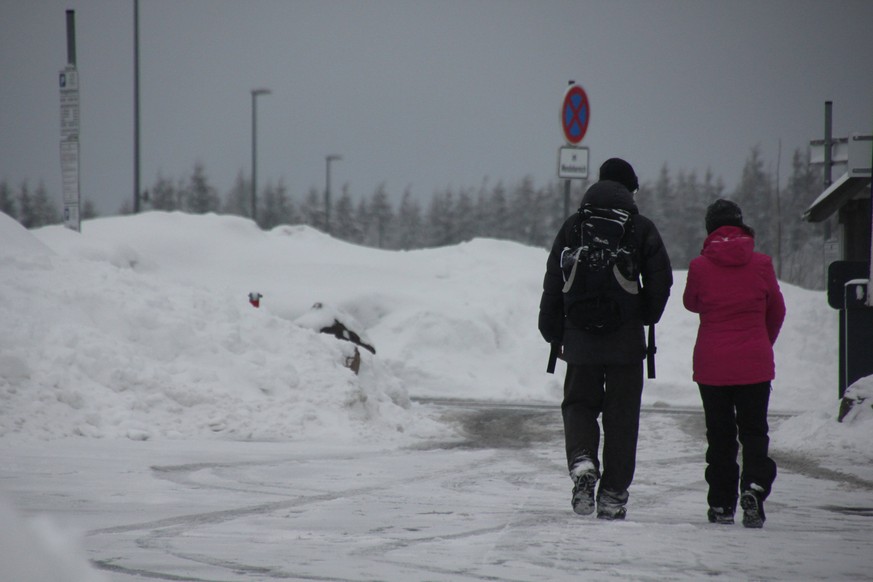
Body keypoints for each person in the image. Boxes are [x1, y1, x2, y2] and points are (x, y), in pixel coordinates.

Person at [538, 158, 673, 520]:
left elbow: (553, 280)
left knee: (579, 405)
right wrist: (644, 315)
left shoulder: (575, 227)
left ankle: (583, 464)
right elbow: (662, 283)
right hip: (626, 344)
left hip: (579, 341)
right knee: (622, 417)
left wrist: (552, 330)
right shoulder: (641, 228)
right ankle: (613, 494)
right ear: (630, 190)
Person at [683, 199, 786, 528]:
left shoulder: (700, 266)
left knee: (720, 436)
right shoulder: (761, 263)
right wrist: (760, 341)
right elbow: (777, 310)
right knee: (755, 432)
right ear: (741, 226)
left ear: (710, 228)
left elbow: (691, 303)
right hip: (754, 363)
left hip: (713, 364)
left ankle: (721, 506)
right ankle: (754, 487)